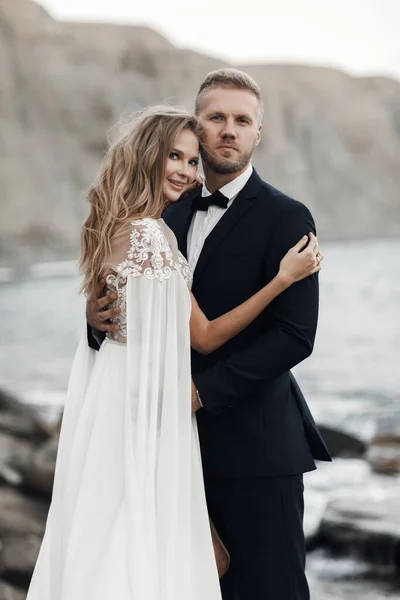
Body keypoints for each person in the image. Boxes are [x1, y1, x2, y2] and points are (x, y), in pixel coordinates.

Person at [27, 105, 322, 600]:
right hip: (147, 407)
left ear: (258, 132)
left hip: (175, 415)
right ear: (151, 154)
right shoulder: (157, 226)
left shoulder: (275, 215)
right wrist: (281, 280)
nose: (185, 171)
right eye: (175, 157)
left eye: (189, 162)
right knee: (141, 547)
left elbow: (292, 336)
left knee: (126, 538)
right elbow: (194, 332)